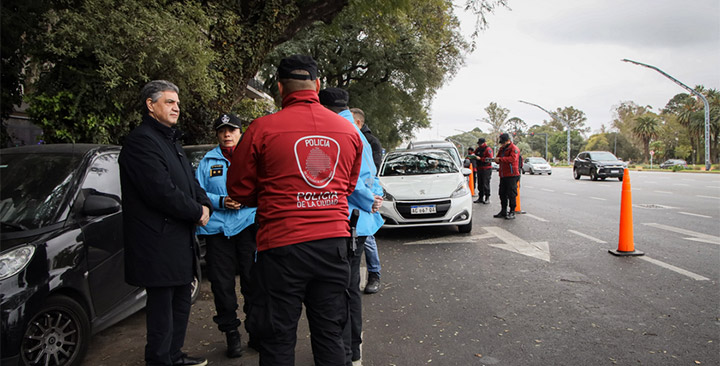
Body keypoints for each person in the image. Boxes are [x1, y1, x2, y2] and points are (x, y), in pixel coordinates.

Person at [226, 55, 364, 366]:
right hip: (333, 245)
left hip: (282, 247)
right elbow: (348, 186)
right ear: (317, 85)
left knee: (277, 340)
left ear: (278, 87)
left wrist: (274, 196)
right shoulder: (349, 132)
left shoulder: (262, 129)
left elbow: (238, 190)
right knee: (330, 335)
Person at [119, 80, 211, 366]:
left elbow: (190, 181)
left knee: (181, 303)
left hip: (179, 241)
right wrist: (197, 212)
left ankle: (174, 355)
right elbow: (160, 191)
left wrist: (204, 203)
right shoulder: (141, 142)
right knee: (162, 312)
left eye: (178, 104)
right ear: (150, 105)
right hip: (157, 244)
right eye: (170, 102)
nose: (176, 108)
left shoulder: (171, 140)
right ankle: (160, 360)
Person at [320, 90, 383, 363]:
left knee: (343, 292)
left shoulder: (338, 131)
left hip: (350, 222)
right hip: (361, 221)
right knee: (349, 289)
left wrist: (369, 200)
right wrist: (374, 199)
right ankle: (352, 348)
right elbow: (371, 176)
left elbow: (353, 179)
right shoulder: (357, 132)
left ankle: (347, 351)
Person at [195, 113, 257, 358]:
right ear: (217, 134)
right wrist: (220, 201)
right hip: (217, 230)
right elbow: (197, 193)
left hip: (247, 227)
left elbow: (264, 189)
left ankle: (255, 330)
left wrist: (246, 200)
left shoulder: (253, 158)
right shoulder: (207, 162)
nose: (227, 135)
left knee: (254, 282)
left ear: (240, 132)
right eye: (222, 131)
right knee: (222, 286)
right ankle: (231, 332)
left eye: (231, 130)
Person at [350, 107, 383, 295]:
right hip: (358, 199)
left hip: (367, 199)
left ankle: (374, 275)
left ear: (358, 123)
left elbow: (372, 174)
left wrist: (372, 199)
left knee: (368, 238)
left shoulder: (369, 142)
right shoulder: (351, 138)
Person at [493, 133, 520, 220]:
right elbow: (498, 158)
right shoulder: (502, 149)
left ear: (508, 141)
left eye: (503, 142)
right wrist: (497, 160)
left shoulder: (514, 148)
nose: (502, 144)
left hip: (512, 174)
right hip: (503, 174)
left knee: (511, 194)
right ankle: (503, 210)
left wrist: (500, 159)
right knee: (502, 193)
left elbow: (512, 159)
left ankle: (512, 211)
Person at [475, 138, 494, 204]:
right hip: (479, 168)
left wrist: (481, 159)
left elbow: (490, 159)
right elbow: (474, 154)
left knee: (486, 183)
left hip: (486, 169)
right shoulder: (477, 149)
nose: (480, 144)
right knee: (480, 184)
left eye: (481, 143)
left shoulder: (488, 149)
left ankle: (487, 197)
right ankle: (480, 197)